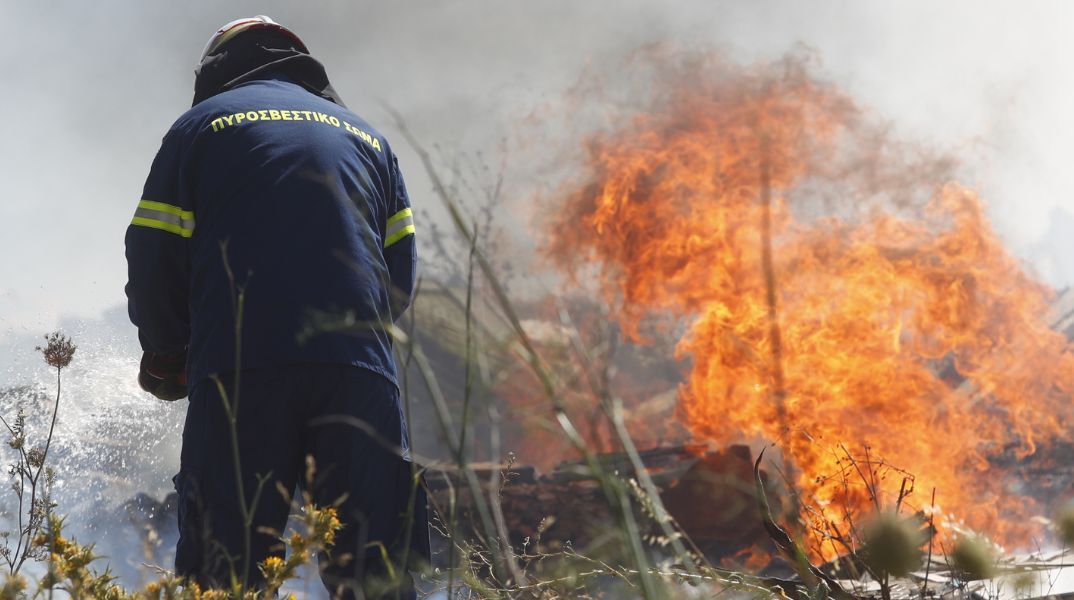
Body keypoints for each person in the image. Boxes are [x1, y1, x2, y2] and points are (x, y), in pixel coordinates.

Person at [125, 16, 427, 598]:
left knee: (227, 569)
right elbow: (400, 275)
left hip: (244, 369)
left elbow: (154, 253)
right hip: (359, 375)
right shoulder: (368, 138)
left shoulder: (199, 128)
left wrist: (166, 352)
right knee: (374, 571)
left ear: (218, 69)